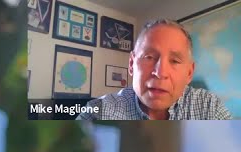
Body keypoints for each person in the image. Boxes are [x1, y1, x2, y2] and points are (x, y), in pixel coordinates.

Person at [84, 19, 232, 120]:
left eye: (174, 61)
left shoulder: (209, 108)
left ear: (189, 73)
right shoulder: (99, 111)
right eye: (149, 57)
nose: (160, 73)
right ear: (131, 64)